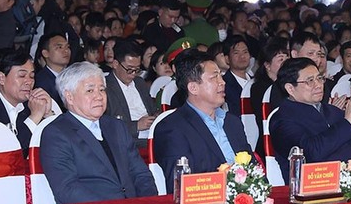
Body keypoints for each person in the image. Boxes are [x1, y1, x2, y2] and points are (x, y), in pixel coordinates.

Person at [40, 62, 157, 204]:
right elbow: (67, 189)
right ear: (69, 97)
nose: (99, 96)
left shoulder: (116, 127)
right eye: (90, 91)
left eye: (102, 90)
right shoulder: (57, 133)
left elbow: (141, 174)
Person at [154, 49, 252, 193]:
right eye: (214, 77)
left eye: (221, 76)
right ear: (193, 87)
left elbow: (253, 169)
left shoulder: (232, 122)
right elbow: (182, 186)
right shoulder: (172, 128)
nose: (222, 82)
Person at [270, 58, 351, 182]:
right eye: (310, 81)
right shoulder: (282, 119)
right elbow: (311, 153)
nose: (318, 85)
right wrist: (348, 121)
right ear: (290, 88)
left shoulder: (332, 111)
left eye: (319, 78)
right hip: (314, 186)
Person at [0, 48, 55, 155]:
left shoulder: (31, 104)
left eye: (32, 76)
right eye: (22, 76)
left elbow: (56, 143)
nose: (29, 82)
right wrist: (34, 118)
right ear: (2, 78)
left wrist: (48, 114)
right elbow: (5, 154)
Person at [105, 40, 158, 147]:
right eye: (129, 69)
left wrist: (156, 116)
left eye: (137, 70)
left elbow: (152, 111)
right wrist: (136, 126)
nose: (133, 74)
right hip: (128, 140)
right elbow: (106, 125)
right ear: (115, 64)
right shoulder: (105, 87)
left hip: (151, 134)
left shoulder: (139, 83)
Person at [34, 33, 71, 109]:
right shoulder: (40, 82)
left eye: (67, 47)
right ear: (45, 53)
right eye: (60, 47)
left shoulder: (74, 75)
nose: (66, 50)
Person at [222, 35, 251, 117]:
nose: (242, 56)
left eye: (245, 52)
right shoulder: (223, 85)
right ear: (227, 59)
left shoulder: (257, 82)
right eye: (236, 53)